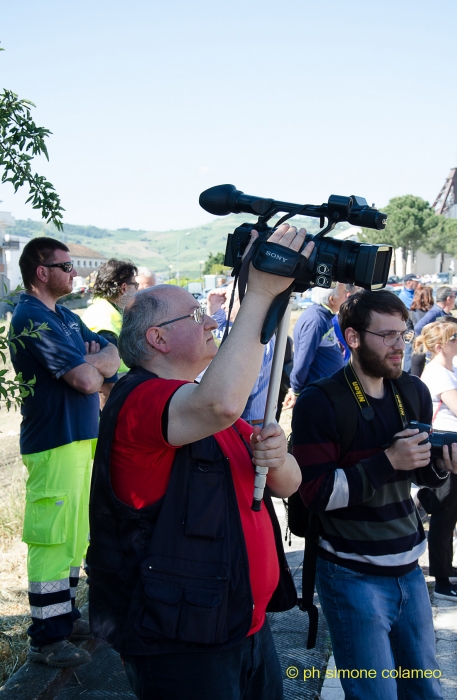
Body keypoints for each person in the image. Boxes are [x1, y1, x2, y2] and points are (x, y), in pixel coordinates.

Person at [87, 224, 312, 700]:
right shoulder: (141, 401)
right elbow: (221, 404)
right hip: (182, 642)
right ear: (158, 338)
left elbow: (287, 485)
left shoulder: (200, 403)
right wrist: (261, 291)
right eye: (195, 315)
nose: (211, 321)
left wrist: (280, 454)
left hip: (242, 625)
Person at [292, 289, 457, 700]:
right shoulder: (320, 401)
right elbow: (314, 493)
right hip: (350, 575)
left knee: (426, 693)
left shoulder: (414, 391)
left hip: (409, 567)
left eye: (402, 334)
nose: (398, 346)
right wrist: (388, 460)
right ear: (352, 337)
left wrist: (442, 464)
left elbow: (420, 475)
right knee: (376, 695)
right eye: (386, 336)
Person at [10, 237, 119, 668]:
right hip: (53, 441)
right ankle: (47, 638)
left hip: (80, 437)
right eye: (66, 266)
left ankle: (65, 616)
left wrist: (97, 359)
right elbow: (89, 383)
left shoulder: (66, 319)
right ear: (42, 271)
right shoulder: (30, 318)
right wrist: (93, 365)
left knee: (75, 535)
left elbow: (112, 351)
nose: (74, 272)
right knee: (51, 537)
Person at [419, 321, 457, 600]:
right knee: (444, 514)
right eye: (455, 337)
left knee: (450, 509)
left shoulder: (453, 368)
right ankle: (443, 580)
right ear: (439, 346)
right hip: (445, 449)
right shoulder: (437, 372)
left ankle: (446, 566)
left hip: (456, 444)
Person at [206, 282, 275, 426]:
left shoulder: (255, 340)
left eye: (229, 301)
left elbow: (240, 391)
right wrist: (212, 306)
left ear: (246, 302)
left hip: (249, 424)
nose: (224, 306)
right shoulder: (251, 331)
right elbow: (220, 332)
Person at [82, 259, 139, 405]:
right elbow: (106, 388)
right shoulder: (105, 322)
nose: (137, 290)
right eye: (135, 285)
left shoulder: (100, 310)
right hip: (113, 407)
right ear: (124, 288)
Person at [283, 283, 348, 409]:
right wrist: (296, 389)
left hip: (327, 392)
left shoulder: (323, 316)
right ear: (332, 299)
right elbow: (302, 361)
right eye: (344, 293)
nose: (346, 296)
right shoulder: (316, 321)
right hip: (318, 395)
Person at [404, 284, 434, 372]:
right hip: (429, 346)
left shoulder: (411, 312)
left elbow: (408, 329)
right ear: (428, 297)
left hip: (415, 346)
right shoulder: (433, 313)